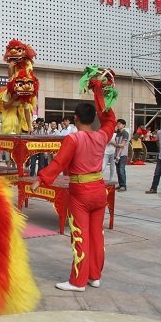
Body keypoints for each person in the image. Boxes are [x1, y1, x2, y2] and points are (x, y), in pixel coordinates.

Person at [31, 84, 116, 292]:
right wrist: (99, 93)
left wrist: (40, 179)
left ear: (76, 118)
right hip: (99, 189)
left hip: (81, 192)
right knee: (97, 235)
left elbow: (59, 163)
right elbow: (110, 120)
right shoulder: (102, 136)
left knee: (80, 235)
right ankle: (95, 276)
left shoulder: (73, 138)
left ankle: (78, 281)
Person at [113, 119, 129, 192]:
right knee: (118, 170)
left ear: (124, 125)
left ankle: (123, 185)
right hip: (117, 154)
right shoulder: (118, 133)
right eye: (117, 124)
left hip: (122, 154)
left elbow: (122, 145)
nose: (118, 125)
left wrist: (114, 145)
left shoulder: (125, 133)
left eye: (119, 124)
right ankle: (120, 183)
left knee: (121, 170)